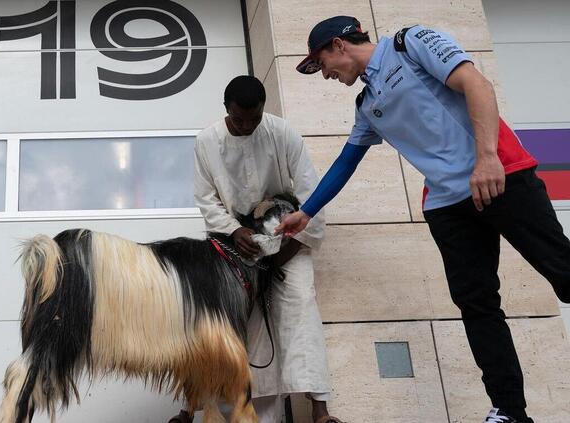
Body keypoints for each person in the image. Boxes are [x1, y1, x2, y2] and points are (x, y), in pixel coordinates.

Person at [275, 16, 570, 423]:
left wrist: (486, 158)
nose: (324, 75)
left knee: (564, 273)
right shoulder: (366, 104)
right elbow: (347, 161)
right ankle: (510, 411)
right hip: (447, 207)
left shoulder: (409, 43)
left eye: (322, 63)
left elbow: (476, 85)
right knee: (477, 306)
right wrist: (306, 213)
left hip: (501, 176)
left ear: (340, 45)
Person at [168, 75, 343, 423]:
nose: (247, 126)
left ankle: (320, 412)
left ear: (264, 109)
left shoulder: (282, 132)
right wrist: (235, 232)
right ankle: (210, 411)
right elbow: (206, 200)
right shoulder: (207, 141)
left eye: (254, 118)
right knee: (224, 324)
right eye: (238, 119)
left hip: (287, 240)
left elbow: (312, 194)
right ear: (226, 110)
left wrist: (285, 251)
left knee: (300, 306)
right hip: (234, 246)